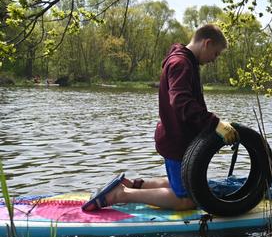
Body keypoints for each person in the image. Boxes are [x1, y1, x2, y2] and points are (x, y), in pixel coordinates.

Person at [82, 24, 239, 212]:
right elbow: (181, 102)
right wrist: (215, 123)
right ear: (207, 43)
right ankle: (121, 194)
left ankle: (132, 185)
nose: (214, 60)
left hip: (179, 138)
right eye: (216, 54)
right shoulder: (181, 64)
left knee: (184, 182)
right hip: (176, 140)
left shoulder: (184, 62)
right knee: (187, 201)